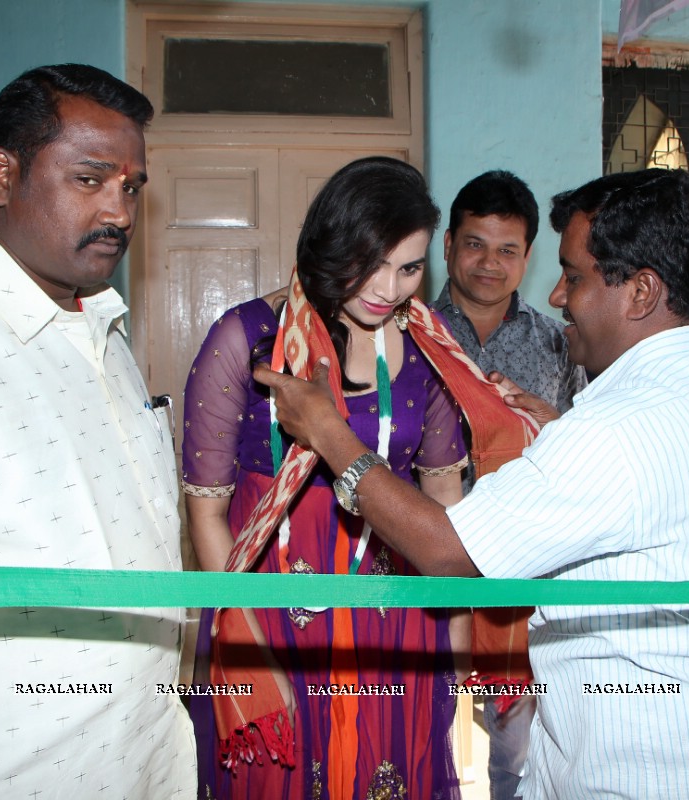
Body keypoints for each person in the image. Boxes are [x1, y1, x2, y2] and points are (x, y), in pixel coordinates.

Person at [260, 168, 689, 799]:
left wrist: (329, 433)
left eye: (576, 276)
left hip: (636, 760)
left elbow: (447, 552)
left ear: (641, 292)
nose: (558, 296)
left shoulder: (617, 430)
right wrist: (560, 430)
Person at [0, 65, 195, 798]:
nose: (119, 212)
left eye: (131, 188)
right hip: (25, 772)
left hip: (148, 750)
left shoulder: (100, 323)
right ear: (3, 176)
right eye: (90, 180)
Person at [184, 156, 522, 800]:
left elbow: (444, 503)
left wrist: (452, 650)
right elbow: (206, 512)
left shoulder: (429, 346)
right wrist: (243, 640)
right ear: (331, 244)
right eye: (372, 263)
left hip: (396, 628)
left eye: (410, 267)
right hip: (273, 615)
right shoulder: (247, 338)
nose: (388, 288)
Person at [431, 169, 585, 800]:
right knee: (423, 721)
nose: (489, 264)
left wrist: (549, 423)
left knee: (515, 750)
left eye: (507, 250)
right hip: (428, 557)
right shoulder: (411, 332)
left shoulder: (557, 342)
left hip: (523, 567)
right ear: (447, 246)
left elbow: (584, 446)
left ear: (527, 258)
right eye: (474, 244)